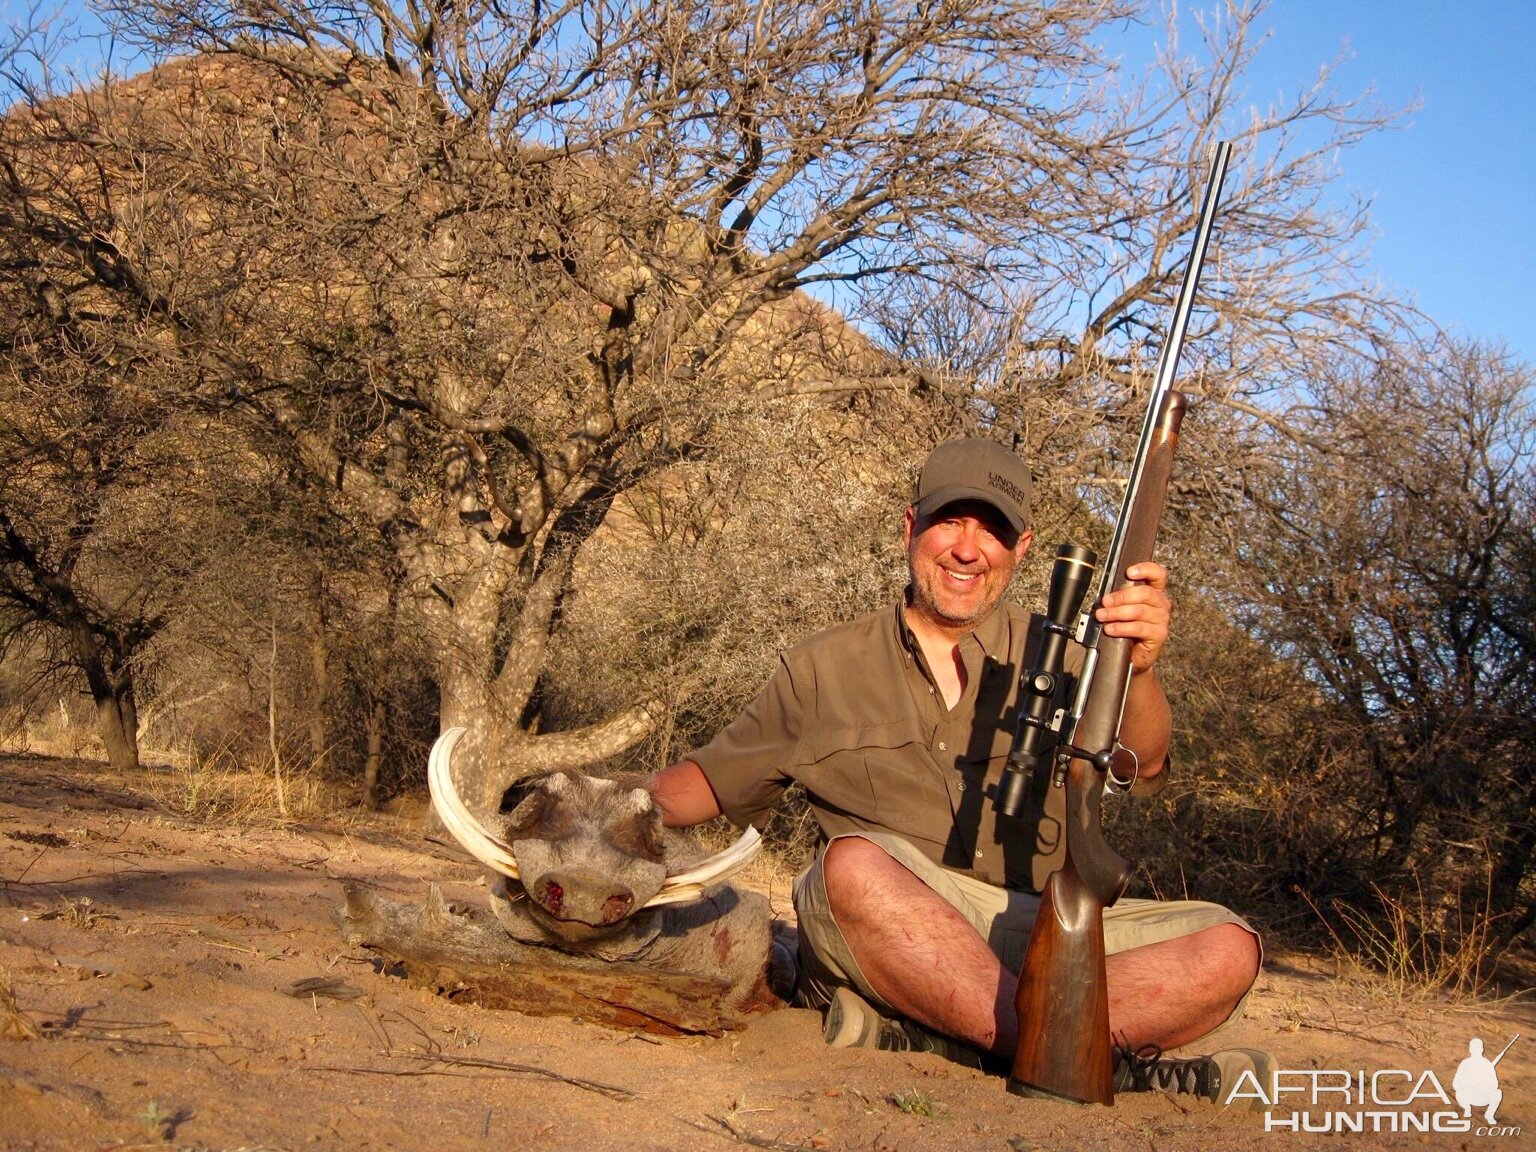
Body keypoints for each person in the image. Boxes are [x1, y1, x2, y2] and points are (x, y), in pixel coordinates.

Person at [650, 438, 1270, 1104]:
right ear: (911, 528)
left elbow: (1141, 762)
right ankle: (1083, 1057)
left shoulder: (1067, 657)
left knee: (1230, 949)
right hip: (892, 936)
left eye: (994, 529)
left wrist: (1139, 671)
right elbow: (701, 785)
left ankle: (949, 1041)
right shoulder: (822, 667)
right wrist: (576, 803)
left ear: (1023, 548)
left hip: (1036, 932)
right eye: (950, 520)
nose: (968, 549)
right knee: (851, 871)